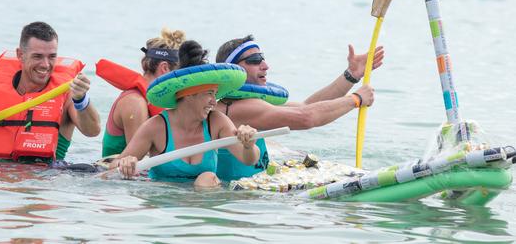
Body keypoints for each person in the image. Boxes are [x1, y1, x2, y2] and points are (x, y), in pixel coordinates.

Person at [213, 35, 384, 180]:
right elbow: (306, 117)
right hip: (242, 196)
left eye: (263, 58)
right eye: (255, 60)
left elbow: (306, 106)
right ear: (233, 71)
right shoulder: (238, 108)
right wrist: (357, 99)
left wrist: (351, 75)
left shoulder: (243, 103)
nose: (265, 66)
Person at [0, 21, 101, 162]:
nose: (46, 65)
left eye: (52, 57)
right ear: (20, 55)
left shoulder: (67, 95)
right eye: (38, 57)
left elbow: (92, 131)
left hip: (44, 179)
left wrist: (81, 99)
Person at [111, 40, 259, 188]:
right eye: (209, 93)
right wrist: (125, 163)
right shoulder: (155, 127)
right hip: (164, 200)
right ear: (189, 94)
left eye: (215, 94)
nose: (214, 102)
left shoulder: (217, 121)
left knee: (207, 178)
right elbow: (113, 168)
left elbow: (249, 160)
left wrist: (249, 145)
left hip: (203, 196)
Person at [97, 28, 186, 157]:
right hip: (115, 175)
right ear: (165, 68)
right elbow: (136, 162)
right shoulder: (135, 103)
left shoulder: (154, 101)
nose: (182, 80)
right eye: (179, 72)